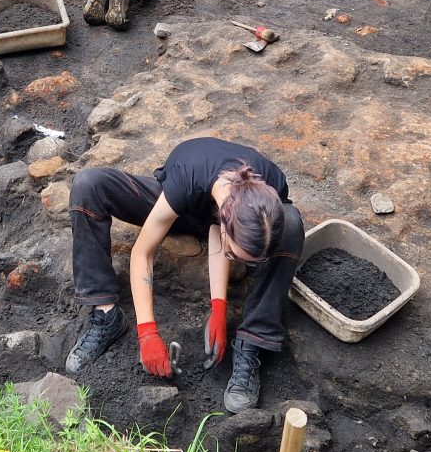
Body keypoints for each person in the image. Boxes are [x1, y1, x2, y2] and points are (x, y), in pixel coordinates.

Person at [65, 137, 305, 414]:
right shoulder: (188, 177)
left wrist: (218, 307)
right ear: (226, 222)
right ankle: (106, 316)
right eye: (236, 255)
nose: (240, 263)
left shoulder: (271, 189)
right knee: (88, 184)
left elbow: (217, 230)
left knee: (291, 224)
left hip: (217, 217)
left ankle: (252, 342)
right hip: (182, 208)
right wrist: (147, 334)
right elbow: (142, 253)